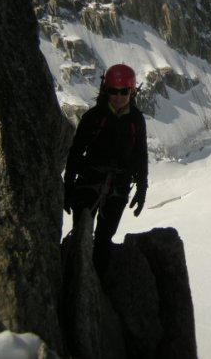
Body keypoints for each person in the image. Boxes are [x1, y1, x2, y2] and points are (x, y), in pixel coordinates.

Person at [63, 64, 148, 274]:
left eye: (123, 91)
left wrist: (142, 188)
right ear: (105, 90)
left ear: (132, 92)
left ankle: (95, 286)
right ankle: (79, 280)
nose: (118, 97)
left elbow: (140, 155)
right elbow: (75, 153)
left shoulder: (136, 121)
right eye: (113, 91)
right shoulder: (93, 117)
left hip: (118, 188)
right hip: (88, 185)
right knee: (82, 235)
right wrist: (68, 185)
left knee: (104, 239)